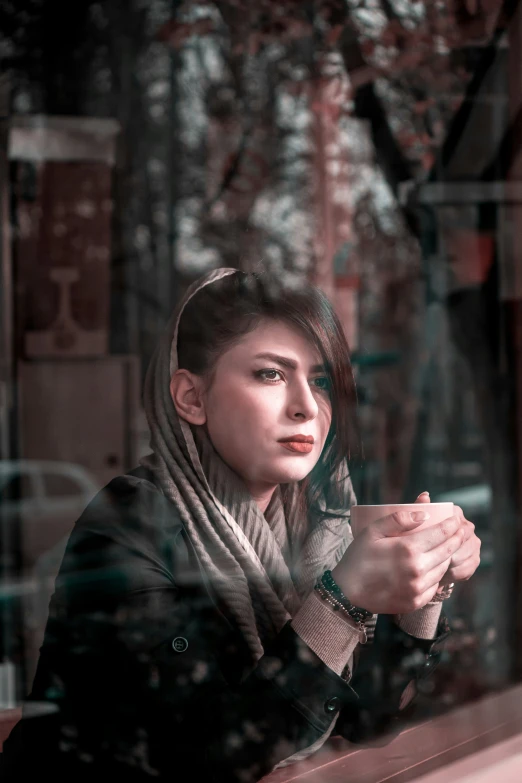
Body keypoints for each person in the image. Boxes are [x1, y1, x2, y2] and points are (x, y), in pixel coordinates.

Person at [1, 268, 480, 782]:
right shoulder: (126, 524)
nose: (306, 408)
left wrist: (428, 589)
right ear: (191, 397)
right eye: (271, 374)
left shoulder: (313, 526)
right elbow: (208, 756)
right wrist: (343, 599)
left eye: (320, 381)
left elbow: (366, 715)